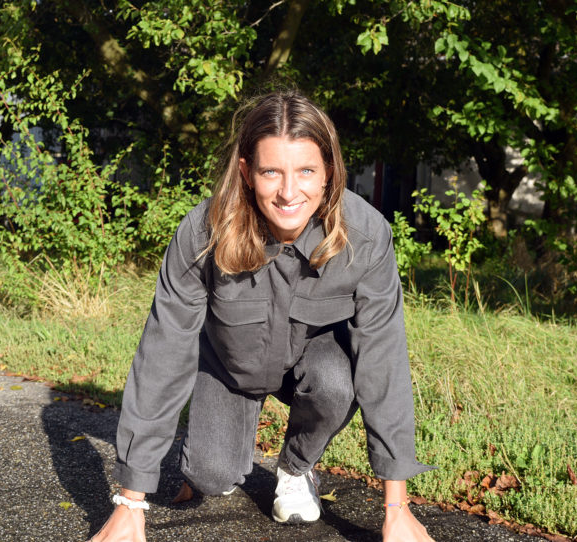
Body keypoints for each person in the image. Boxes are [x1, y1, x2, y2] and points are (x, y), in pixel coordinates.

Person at [90, 90, 434, 542]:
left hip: (312, 368)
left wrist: (398, 509)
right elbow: (163, 354)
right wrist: (130, 504)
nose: (289, 192)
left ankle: (296, 469)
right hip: (229, 366)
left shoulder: (367, 238)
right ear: (246, 172)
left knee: (337, 379)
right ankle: (212, 458)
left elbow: (383, 362)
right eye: (272, 171)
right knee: (212, 477)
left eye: (306, 171)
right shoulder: (202, 235)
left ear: (329, 172)